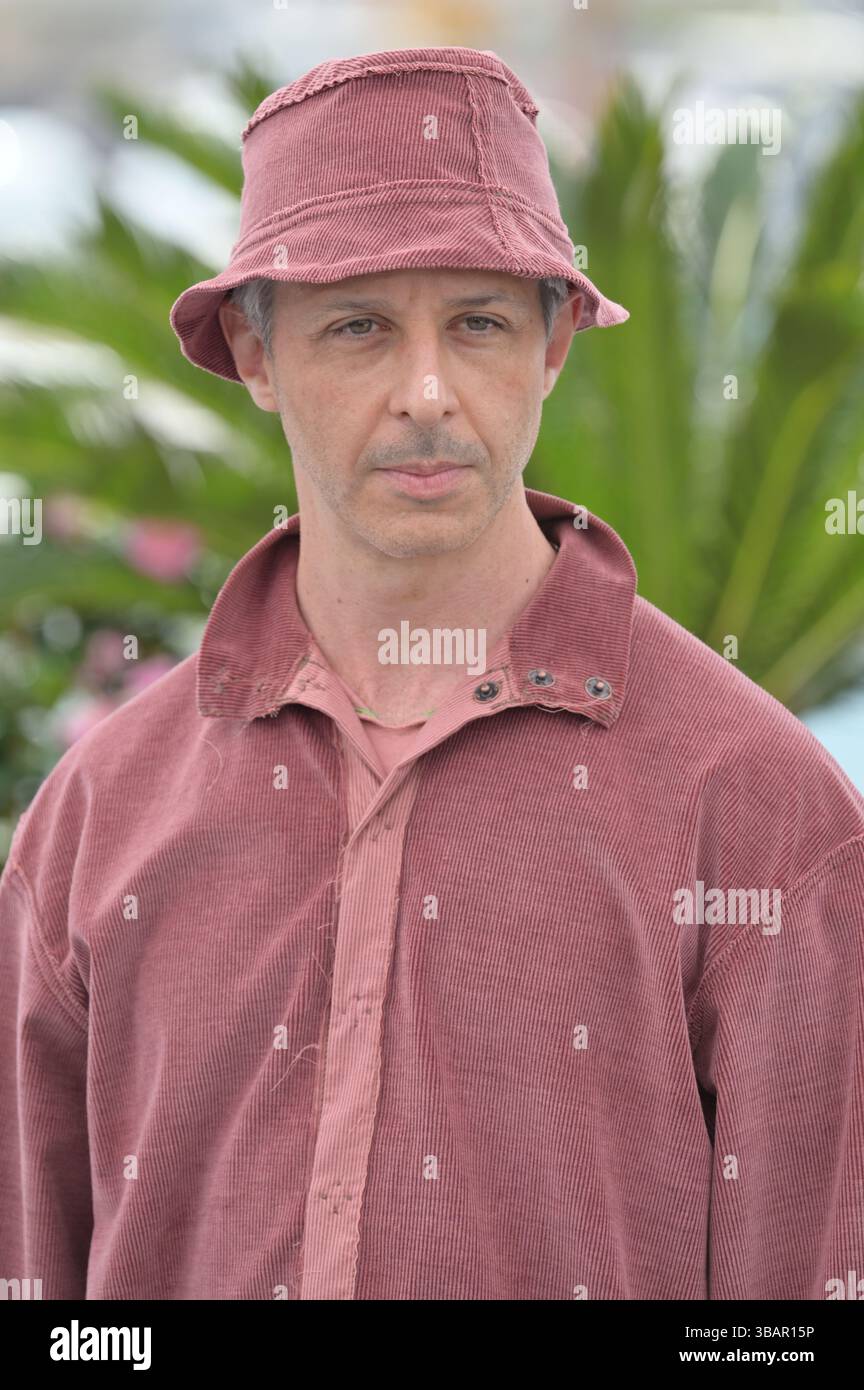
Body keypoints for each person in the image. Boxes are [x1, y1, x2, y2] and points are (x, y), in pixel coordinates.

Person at [1, 46, 862, 1303]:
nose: (427, 392)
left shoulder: (762, 813)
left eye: (479, 323)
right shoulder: (95, 821)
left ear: (557, 343)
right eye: (358, 326)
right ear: (254, 351)